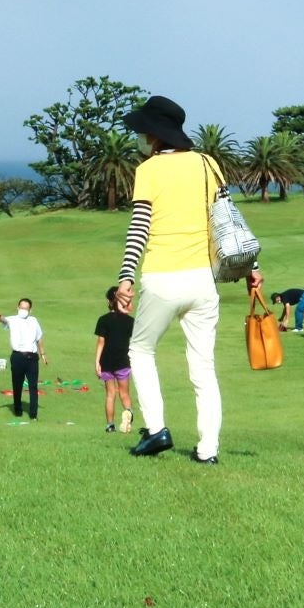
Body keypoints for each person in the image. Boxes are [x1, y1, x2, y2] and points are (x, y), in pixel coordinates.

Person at [113, 94, 256, 464]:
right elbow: (228, 224)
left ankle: (157, 429)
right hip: (202, 282)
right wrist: (250, 271)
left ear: (154, 135)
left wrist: (126, 278)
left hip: (162, 277)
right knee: (203, 367)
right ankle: (208, 450)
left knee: (140, 351)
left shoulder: (149, 171)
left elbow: (139, 228)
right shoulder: (208, 164)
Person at [0, 297, 45, 420]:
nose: (23, 310)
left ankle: (33, 414)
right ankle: (18, 410)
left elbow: (39, 338)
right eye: (21, 307)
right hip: (17, 356)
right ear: (18, 307)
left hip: (32, 357)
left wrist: (43, 354)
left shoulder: (34, 321)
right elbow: (4, 320)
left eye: (26, 308)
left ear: (30, 310)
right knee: (17, 385)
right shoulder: (13, 320)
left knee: (33, 386)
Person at [93, 286, 135, 435]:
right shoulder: (130, 321)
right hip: (123, 360)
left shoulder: (103, 320)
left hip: (107, 361)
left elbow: (100, 342)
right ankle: (128, 414)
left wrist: (97, 361)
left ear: (108, 301)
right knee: (125, 393)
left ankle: (110, 425)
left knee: (110, 394)